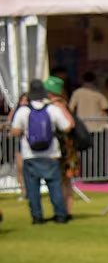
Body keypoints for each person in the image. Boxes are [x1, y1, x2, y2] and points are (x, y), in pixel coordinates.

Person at [9, 77, 74, 223]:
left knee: (33, 189)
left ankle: (37, 217)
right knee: (54, 186)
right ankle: (61, 215)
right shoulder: (52, 109)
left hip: (29, 154)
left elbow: (15, 131)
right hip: (51, 153)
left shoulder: (24, 111)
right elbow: (67, 126)